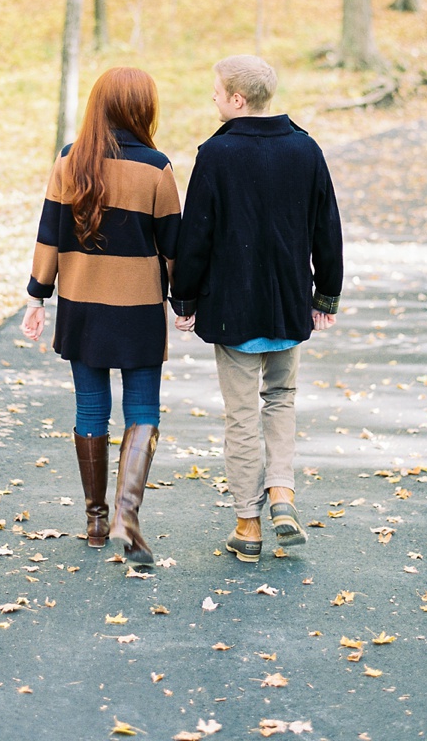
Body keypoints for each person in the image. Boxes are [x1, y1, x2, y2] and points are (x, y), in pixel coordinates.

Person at [170, 55, 343, 563]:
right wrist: (325, 294)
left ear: (238, 100)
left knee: (241, 414)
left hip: (232, 307)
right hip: (289, 301)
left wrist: (185, 298)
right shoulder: (306, 149)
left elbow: (195, 234)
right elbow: (326, 227)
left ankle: (248, 524)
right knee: (282, 398)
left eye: (217, 91)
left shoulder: (217, 154)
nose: (214, 98)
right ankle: (283, 495)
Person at [21, 67, 181, 565]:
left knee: (90, 409)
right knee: (143, 410)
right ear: (142, 110)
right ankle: (126, 516)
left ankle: (95, 521)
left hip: (81, 307)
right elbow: (174, 246)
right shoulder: (156, 168)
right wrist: (186, 301)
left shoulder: (70, 160)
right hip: (137, 310)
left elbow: (49, 232)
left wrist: (37, 296)